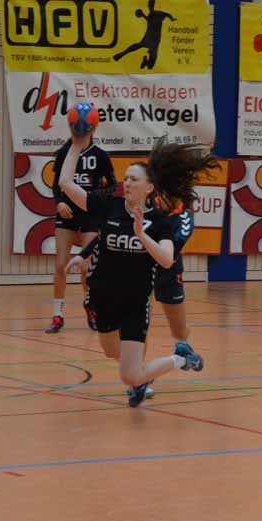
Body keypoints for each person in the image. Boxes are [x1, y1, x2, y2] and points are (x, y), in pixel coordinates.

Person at [55, 126, 209, 407]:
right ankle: (143, 375)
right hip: (102, 297)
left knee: (130, 375)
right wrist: (77, 145)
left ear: (148, 188)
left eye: (134, 179)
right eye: (125, 178)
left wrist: (141, 235)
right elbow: (65, 183)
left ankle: (179, 359)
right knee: (110, 351)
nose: (127, 183)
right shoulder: (108, 205)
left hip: (134, 303)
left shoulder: (159, 221)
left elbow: (166, 259)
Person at [70, 202, 200, 399]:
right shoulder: (132, 206)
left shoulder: (175, 209)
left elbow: (172, 247)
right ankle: (139, 378)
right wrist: (84, 254)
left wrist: (148, 244)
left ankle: (177, 356)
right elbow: (109, 233)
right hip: (136, 274)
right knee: (125, 341)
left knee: (179, 329)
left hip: (166, 268)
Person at [46, 130, 116, 333]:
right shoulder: (65, 153)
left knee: (86, 266)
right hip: (67, 212)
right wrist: (59, 202)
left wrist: (94, 198)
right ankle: (57, 315)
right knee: (61, 265)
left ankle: (90, 305)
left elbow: (112, 185)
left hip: (90, 214)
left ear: (92, 130)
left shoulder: (100, 155)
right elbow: (56, 184)